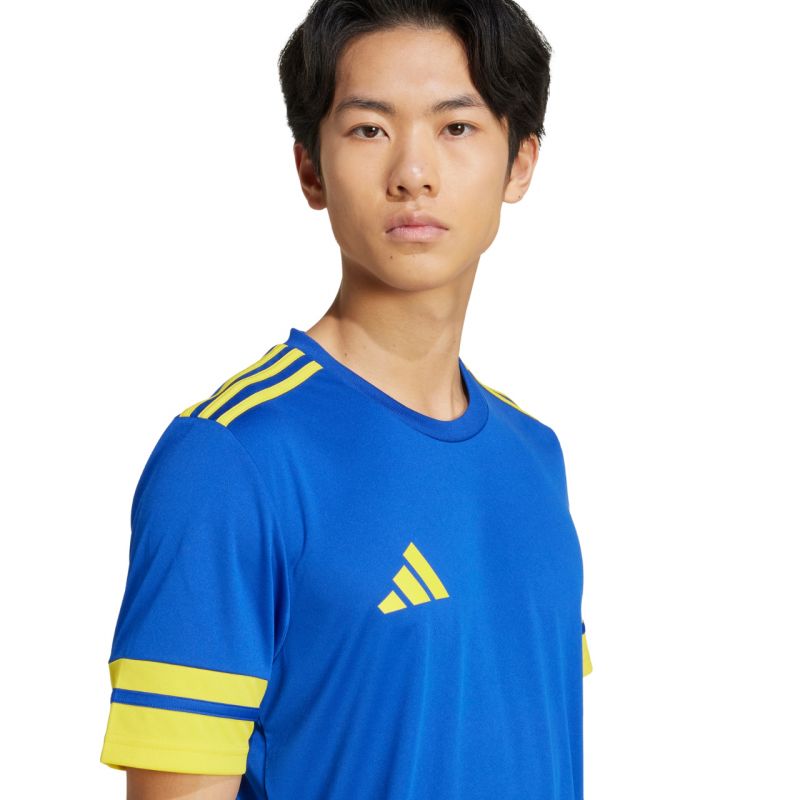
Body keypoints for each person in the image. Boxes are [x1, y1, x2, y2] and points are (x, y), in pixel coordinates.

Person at [99, 0, 593, 797]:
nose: (413, 172)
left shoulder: (536, 457)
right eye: (369, 128)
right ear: (310, 168)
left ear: (521, 162)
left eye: (456, 127)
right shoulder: (230, 462)